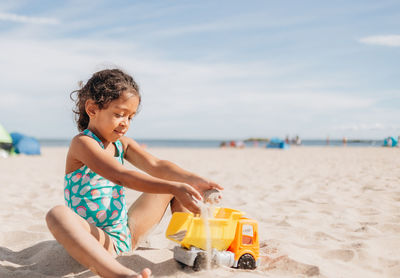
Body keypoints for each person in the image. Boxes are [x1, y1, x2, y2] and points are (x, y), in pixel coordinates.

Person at [45, 69, 223, 278]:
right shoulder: (82, 143)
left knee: (175, 180)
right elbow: (120, 175)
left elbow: (157, 165)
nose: (125, 123)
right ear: (92, 109)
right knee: (57, 215)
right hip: (96, 239)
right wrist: (175, 186)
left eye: (130, 117)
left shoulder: (122, 144)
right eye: (119, 114)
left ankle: (193, 249)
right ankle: (119, 273)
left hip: (125, 235)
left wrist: (194, 180)